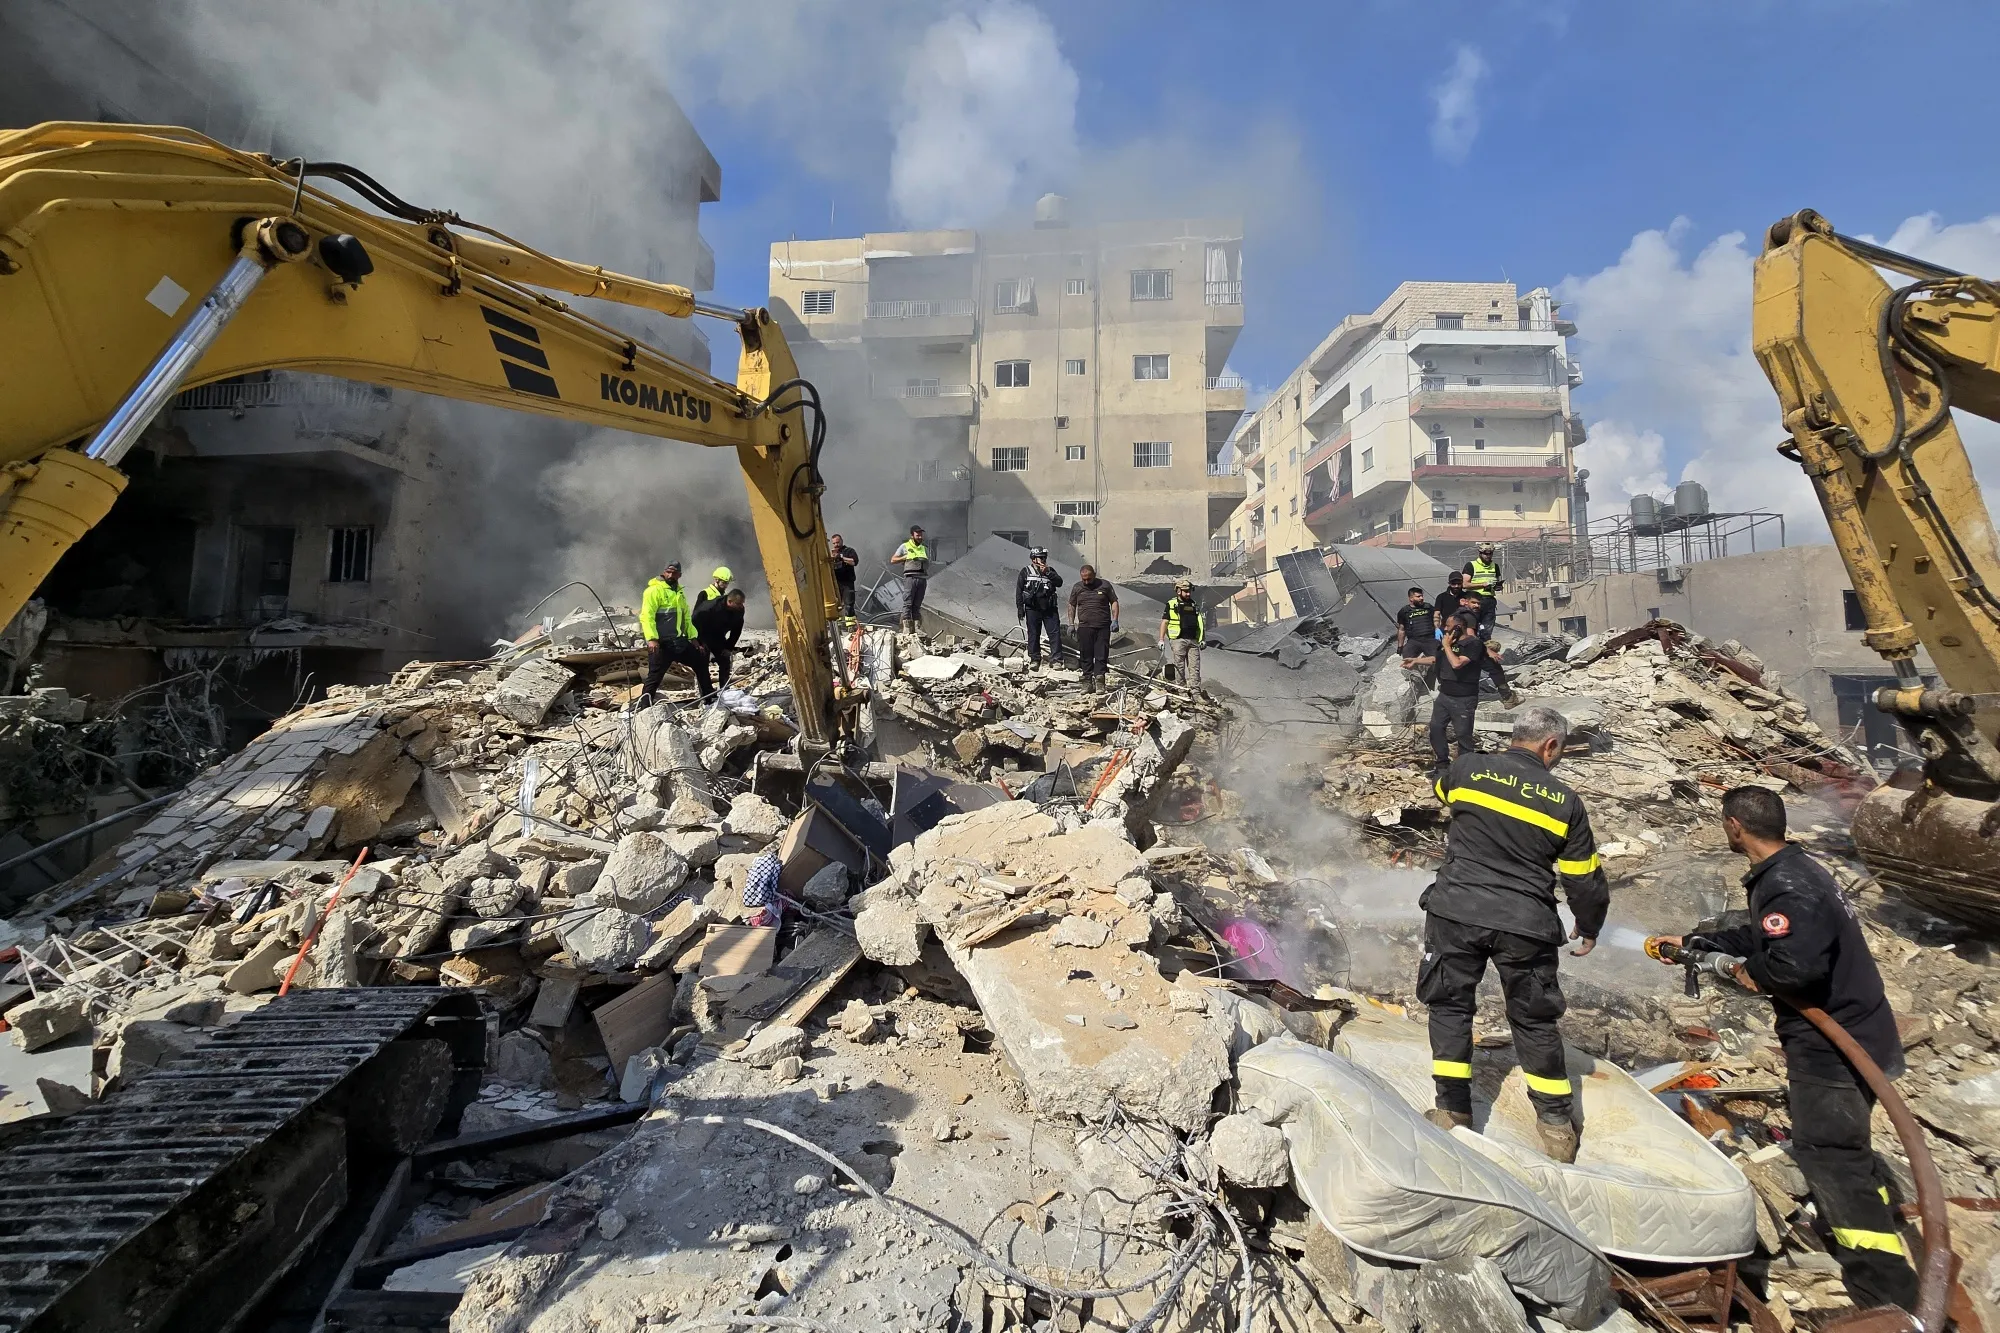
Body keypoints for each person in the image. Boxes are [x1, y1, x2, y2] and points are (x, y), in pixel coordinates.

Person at [1652, 788, 1917, 1314]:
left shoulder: (1786, 886)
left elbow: (1795, 969)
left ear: (1734, 827)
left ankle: (1887, 1291)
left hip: (1835, 1048)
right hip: (1859, 1032)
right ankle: (1875, 1226)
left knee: (1832, 1158)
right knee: (1849, 1153)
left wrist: (1733, 970)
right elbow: (1777, 939)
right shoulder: (1794, 870)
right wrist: (1713, 943)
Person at [1421, 706, 1607, 1164]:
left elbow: (1441, 786)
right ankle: (1557, 1126)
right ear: (1550, 746)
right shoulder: (1566, 803)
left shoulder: (1468, 771)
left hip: (1457, 911)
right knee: (1534, 1020)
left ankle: (1452, 1112)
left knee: (1450, 1006)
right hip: (1527, 925)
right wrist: (1588, 925)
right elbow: (1582, 878)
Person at [638, 561, 705, 707]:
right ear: (664, 571)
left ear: (679, 575)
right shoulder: (653, 591)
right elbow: (646, 616)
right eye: (668, 571)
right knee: (654, 676)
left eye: (674, 573)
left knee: (700, 661)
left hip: (678, 642)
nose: (670, 575)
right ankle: (644, 707)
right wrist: (652, 639)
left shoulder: (679, 592)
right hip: (661, 644)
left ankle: (708, 698)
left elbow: (686, 618)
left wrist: (693, 637)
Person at [1428, 611, 1487, 773]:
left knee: (1463, 735)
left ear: (1459, 627)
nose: (1445, 629)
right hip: (1444, 695)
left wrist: (1446, 645)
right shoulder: (1449, 643)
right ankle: (1442, 765)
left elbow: (1456, 663)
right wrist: (1415, 661)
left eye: (1448, 626)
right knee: (1436, 728)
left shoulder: (1474, 644)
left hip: (1463, 698)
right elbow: (1438, 658)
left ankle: (1464, 770)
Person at [1068, 564, 1119, 691]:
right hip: (1085, 627)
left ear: (1094, 575)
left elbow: (1114, 601)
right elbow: (1071, 604)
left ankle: (1100, 681)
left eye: (1089, 579)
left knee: (1101, 654)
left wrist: (1115, 620)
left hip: (1102, 627)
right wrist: (1071, 623)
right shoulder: (1077, 587)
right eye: (1083, 579)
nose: (1086, 582)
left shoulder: (1105, 585)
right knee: (1086, 655)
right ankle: (1087, 681)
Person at [1015, 546, 1065, 668]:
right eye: (1040, 558)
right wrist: (1020, 608)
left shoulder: (1050, 570)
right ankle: (1035, 659)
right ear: (1033, 559)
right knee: (1033, 633)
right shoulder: (1026, 571)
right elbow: (1019, 590)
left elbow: (1059, 582)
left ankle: (1056, 660)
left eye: (1044, 557)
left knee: (1054, 633)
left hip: (1049, 608)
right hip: (1032, 608)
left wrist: (1047, 572)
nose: (1043, 560)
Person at [693, 587, 746, 693]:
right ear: (730, 601)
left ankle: (724, 689)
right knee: (702, 664)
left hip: (719, 637)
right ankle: (706, 694)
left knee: (725, 660)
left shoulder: (739, 611)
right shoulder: (709, 607)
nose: (741, 606)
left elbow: (737, 630)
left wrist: (729, 647)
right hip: (702, 636)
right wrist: (697, 642)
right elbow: (694, 623)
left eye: (742, 603)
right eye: (739, 603)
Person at [1158, 579, 1206, 691]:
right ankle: (1181, 690)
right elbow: (1165, 622)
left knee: (1195, 667)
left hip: (1193, 640)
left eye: (1189, 591)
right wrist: (1161, 639)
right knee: (1179, 666)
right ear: (1179, 591)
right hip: (1178, 640)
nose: (1188, 594)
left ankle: (1195, 692)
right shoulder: (1171, 604)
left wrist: (1202, 639)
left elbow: (1200, 623)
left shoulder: (1194, 605)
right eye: (1186, 591)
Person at [890, 524, 931, 632]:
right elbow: (893, 560)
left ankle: (917, 628)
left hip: (922, 578)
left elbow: (928, 563)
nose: (920, 537)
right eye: (918, 535)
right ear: (912, 535)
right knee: (908, 603)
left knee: (917, 604)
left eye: (921, 535)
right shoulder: (905, 546)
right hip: (910, 578)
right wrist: (905, 557)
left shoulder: (924, 548)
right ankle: (906, 627)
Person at [1396, 585, 1438, 673]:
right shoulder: (1404, 611)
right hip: (1414, 640)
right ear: (1411, 598)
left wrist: (1438, 631)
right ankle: (1416, 676)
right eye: (1418, 596)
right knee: (1407, 658)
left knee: (1438, 659)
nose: (1421, 598)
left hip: (1429, 639)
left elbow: (1436, 619)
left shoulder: (1428, 607)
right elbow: (1401, 629)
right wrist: (1400, 646)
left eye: (1422, 596)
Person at [1463, 542, 1502, 634]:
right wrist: (1482, 585)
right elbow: (1465, 585)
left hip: (1489, 600)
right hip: (1475, 600)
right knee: (1472, 627)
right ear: (1480, 553)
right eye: (1485, 553)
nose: (1488, 556)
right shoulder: (1471, 565)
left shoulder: (1495, 566)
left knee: (1487, 630)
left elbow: (1497, 583)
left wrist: (1498, 586)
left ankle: (1485, 644)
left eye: (1490, 553)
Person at [828, 534, 860, 619]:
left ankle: (850, 625)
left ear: (842, 541)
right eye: (834, 543)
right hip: (835, 583)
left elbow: (854, 562)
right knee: (835, 605)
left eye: (837, 542)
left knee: (849, 604)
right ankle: (838, 625)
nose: (836, 545)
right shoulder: (831, 554)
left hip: (847, 582)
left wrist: (841, 558)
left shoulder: (849, 551)